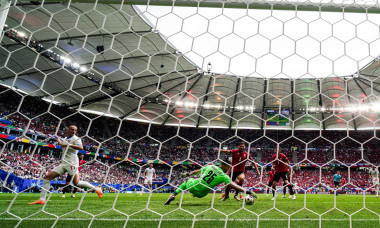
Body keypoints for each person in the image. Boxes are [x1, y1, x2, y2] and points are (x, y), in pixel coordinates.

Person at [28, 125, 102, 205]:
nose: (74, 131)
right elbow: (62, 145)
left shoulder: (76, 139)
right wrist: (59, 140)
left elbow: (80, 147)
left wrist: (67, 145)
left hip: (72, 163)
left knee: (76, 183)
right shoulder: (65, 139)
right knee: (47, 177)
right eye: (72, 129)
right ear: (68, 130)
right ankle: (42, 200)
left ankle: (96, 188)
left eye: (75, 130)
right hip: (64, 163)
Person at [164, 159, 256, 205]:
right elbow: (234, 186)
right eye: (229, 166)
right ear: (224, 165)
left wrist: (187, 174)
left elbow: (196, 172)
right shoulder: (225, 176)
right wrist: (247, 191)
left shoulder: (210, 166)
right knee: (201, 187)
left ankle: (172, 195)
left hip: (193, 185)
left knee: (185, 183)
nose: (229, 168)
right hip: (202, 194)